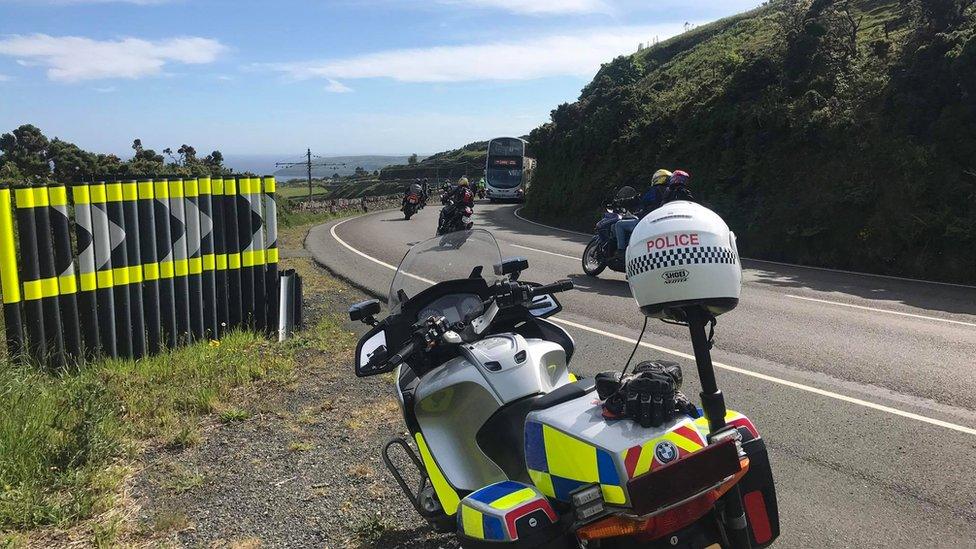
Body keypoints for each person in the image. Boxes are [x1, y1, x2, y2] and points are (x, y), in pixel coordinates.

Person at [612, 169, 672, 259]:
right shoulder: (670, 193)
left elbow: (639, 200)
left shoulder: (655, 190)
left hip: (646, 222)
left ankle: (621, 251)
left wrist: (623, 201)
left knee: (619, 225)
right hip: (662, 224)